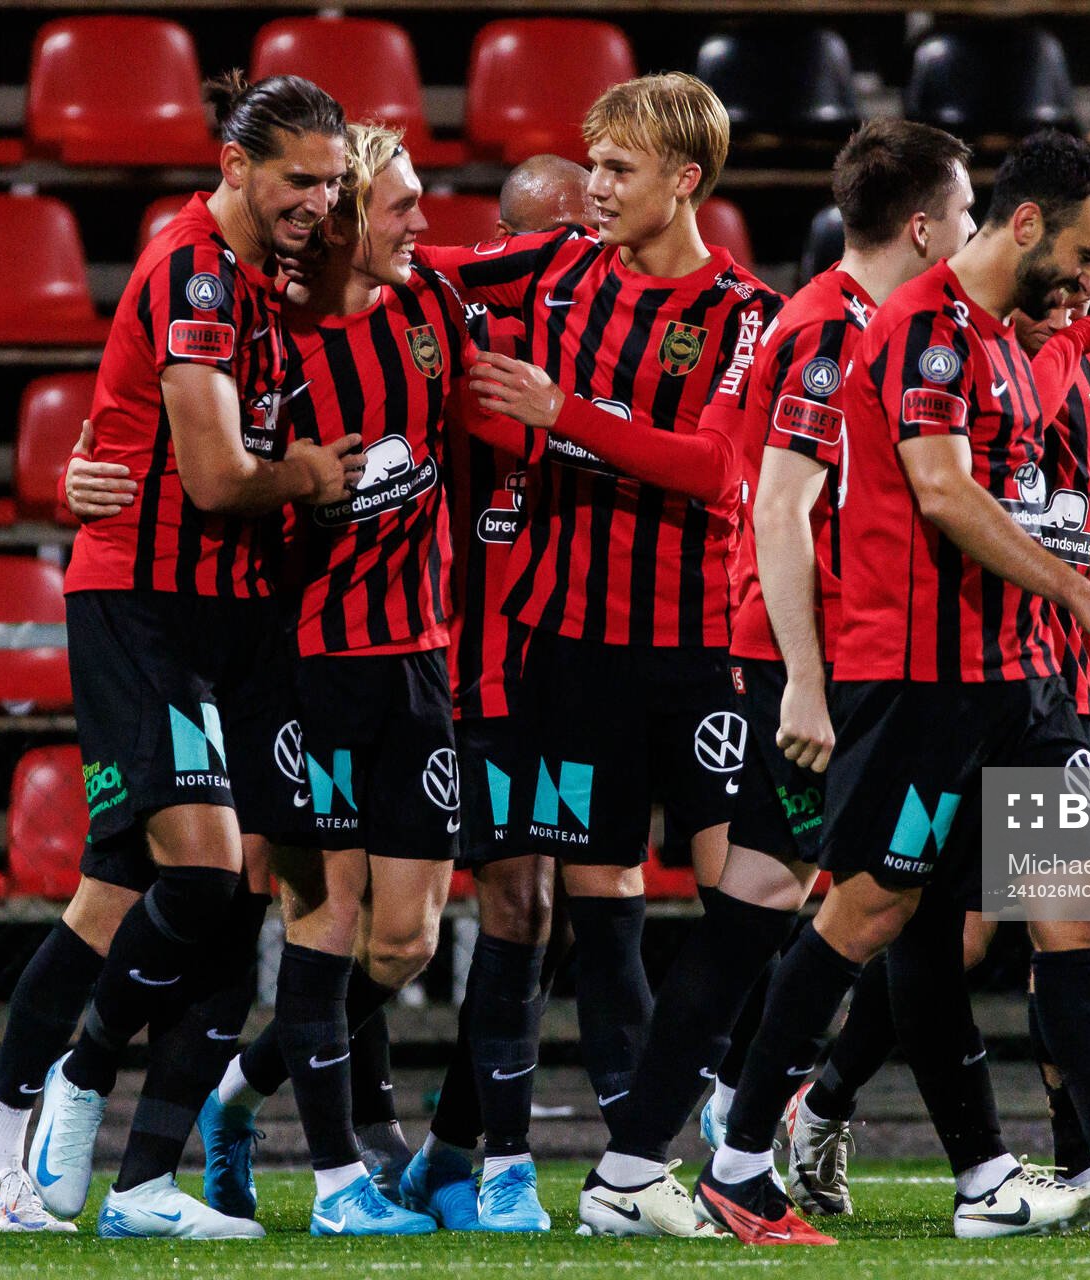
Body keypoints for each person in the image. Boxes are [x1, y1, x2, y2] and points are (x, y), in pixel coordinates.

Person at [693, 130, 1090, 1248]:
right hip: (921, 682)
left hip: (1026, 680)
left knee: (1075, 909)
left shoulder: (1008, 336)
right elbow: (944, 492)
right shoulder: (923, 328)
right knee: (868, 909)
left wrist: (1087, 329)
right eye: (1086, 256)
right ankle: (738, 1160)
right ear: (1026, 225)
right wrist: (1088, 598)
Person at [567, 118, 1090, 1240]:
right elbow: (777, 506)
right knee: (779, 912)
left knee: (909, 916)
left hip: (861, 664)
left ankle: (966, 1171)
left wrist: (1077, 337)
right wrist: (804, 684)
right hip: (802, 665)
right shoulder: (828, 327)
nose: (975, 233)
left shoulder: (903, 326)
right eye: (964, 214)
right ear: (926, 227)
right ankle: (669, 1155)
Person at [0, 73, 355, 1241]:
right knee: (203, 873)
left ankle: (100, 1173)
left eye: (335, 184)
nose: (320, 203)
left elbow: (140, 427)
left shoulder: (270, 277)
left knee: (161, 889)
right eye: (299, 179)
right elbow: (218, 476)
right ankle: (57, 1098)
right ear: (235, 166)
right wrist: (312, 474)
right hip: (149, 606)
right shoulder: (195, 272)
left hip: (235, 617)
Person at [413, 73, 782, 1236]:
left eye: (619, 170)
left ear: (685, 179)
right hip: (571, 656)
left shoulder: (744, 312)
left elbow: (713, 466)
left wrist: (559, 410)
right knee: (592, 906)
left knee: (750, 902)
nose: (599, 190)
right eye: (597, 167)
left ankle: (744, 1120)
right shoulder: (559, 267)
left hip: (701, 654)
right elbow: (415, 274)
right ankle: (623, 1163)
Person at [192, 121, 496, 1238]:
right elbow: (196, 464)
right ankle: (336, 1185)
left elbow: (520, 268)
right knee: (322, 920)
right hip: (303, 668)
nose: (423, 221)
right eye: (402, 204)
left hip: (415, 660)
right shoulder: (263, 335)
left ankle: (236, 1094)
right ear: (347, 217)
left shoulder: (431, 308)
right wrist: (94, 470)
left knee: (405, 940)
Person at [783, 298, 1090, 1209]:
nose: (1076, 295)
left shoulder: (1083, 367)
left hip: (1055, 678)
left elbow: (1068, 506)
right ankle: (806, 1109)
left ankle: (1088, 1157)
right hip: (960, 677)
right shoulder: (983, 353)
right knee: (940, 928)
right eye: (1071, 272)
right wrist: (1082, 337)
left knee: (1066, 919)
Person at [395, 152, 595, 1234]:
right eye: (573, 233)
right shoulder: (460, 351)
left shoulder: (609, 353)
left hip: (574, 679)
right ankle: (505, 1167)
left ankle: (450, 1151)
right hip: (477, 676)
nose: (593, 251)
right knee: (433, 932)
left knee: (557, 923)